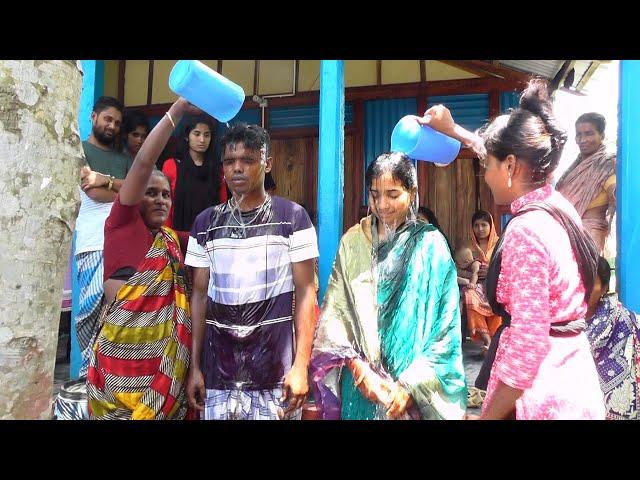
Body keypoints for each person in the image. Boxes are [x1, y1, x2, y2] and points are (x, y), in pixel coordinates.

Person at [421, 79, 605, 419]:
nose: (485, 175)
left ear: (509, 166)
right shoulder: (556, 204)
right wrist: (453, 130)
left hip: (544, 398)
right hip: (574, 381)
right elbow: (492, 150)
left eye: (485, 166)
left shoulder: (526, 232)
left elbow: (527, 348)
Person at [311, 152, 467, 420]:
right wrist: (359, 369)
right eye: (374, 195)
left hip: (413, 389)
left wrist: (409, 386)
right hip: (361, 388)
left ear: (412, 192)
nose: (382, 204)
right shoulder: (353, 242)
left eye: (393, 195)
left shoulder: (431, 245)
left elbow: (446, 328)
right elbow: (336, 315)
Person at [184, 123, 319, 420]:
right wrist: (194, 366)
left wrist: (300, 366)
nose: (237, 169)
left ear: (267, 163)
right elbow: (199, 295)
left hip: (275, 374)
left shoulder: (293, 219)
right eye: (230, 162)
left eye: (248, 160)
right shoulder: (205, 224)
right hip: (219, 374)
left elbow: (307, 292)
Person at [86, 97, 201, 420]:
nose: (161, 200)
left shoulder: (172, 241)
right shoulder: (121, 223)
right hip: (117, 368)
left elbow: (215, 241)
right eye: (151, 193)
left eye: (166, 194)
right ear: (135, 197)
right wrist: (176, 110)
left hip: (163, 373)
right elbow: (143, 164)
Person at [74, 96, 132, 376]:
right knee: (89, 316)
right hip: (91, 244)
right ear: (93, 116)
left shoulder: (124, 158)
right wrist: (120, 188)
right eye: (107, 119)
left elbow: (139, 189)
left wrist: (105, 180)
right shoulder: (79, 149)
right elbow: (93, 192)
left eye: (117, 123)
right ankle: (89, 378)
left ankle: (104, 380)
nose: (112, 126)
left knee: (116, 317)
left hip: (121, 245)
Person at [585, 257, 639, 420]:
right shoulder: (560, 321)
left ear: (604, 288)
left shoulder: (620, 318)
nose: (583, 290)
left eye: (589, 283)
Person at [556, 113, 616, 254]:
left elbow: (616, 193)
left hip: (589, 239)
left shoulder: (607, 165)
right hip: (563, 234)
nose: (582, 140)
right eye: (579, 134)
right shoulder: (574, 168)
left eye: (589, 134)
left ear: (602, 135)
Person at [162, 115, 226, 230]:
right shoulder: (171, 165)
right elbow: (165, 205)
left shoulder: (218, 169)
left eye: (207, 135)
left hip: (210, 236)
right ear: (187, 136)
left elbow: (223, 206)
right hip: (178, 236)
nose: (202, 140)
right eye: (197, 134)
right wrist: (167, 236)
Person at [462, 210, 502, 351]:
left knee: (499, 297)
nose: (480, 229)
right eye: (476, 225)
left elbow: (508, 266)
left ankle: (496, 339)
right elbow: (456, 269)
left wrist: (492, 272)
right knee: (469, 296)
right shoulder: (467, 247)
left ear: (491, 226)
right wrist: (474, 274)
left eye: (484, 225)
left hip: (496, 284)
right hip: (476, 286)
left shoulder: (500, 244)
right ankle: (488, 341)